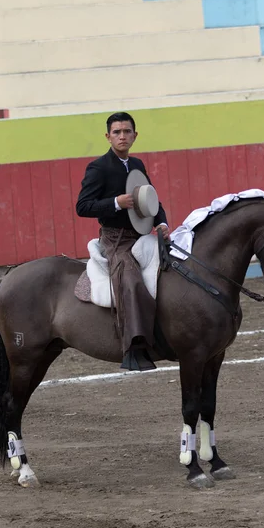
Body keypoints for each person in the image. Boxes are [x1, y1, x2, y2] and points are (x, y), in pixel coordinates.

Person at [76, 112, 169, 371]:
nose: (122, 136)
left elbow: (152, 201)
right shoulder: (98, 167)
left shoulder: (137, 164)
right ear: (108, 136)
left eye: (127, 131)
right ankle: (134, 346)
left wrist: (162, 222)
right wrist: (116, 203)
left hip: (142, 235)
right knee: (129, 279)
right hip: (115, 241)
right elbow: (82, 206)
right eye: (116, 132)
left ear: (135, 135)